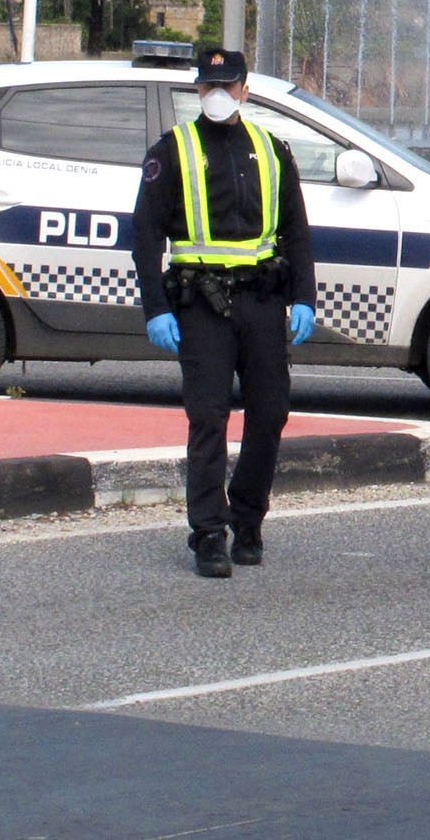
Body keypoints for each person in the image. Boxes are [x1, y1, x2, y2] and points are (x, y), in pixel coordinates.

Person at [131, 47, 316, 578]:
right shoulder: (173, 149)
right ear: (198, 90)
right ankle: (209, 533)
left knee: (270, 412)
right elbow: (145, 235)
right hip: (201, 303)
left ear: (244, 90)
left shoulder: (272, 149)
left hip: (262, 300)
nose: (218, 95)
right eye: (209, 86)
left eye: (227, 86)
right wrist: (156, 308)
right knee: (208, 418)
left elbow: (296, 231)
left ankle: (248, 519)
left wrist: (304, 297)